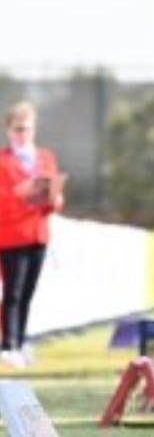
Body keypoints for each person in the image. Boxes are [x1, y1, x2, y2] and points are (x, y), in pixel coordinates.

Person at [0, 101, 66, 368]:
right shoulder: (3, 161)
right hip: (11, 235)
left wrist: (55, 199)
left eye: (26, 129)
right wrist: (19, 194)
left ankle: (21, 340)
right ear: (8, 131)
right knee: (13, 293)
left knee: (27, 293)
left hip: (38, 235)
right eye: (17, 129)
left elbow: (50, 197)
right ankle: (8, 345)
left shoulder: (45, 157)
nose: (22, 134)